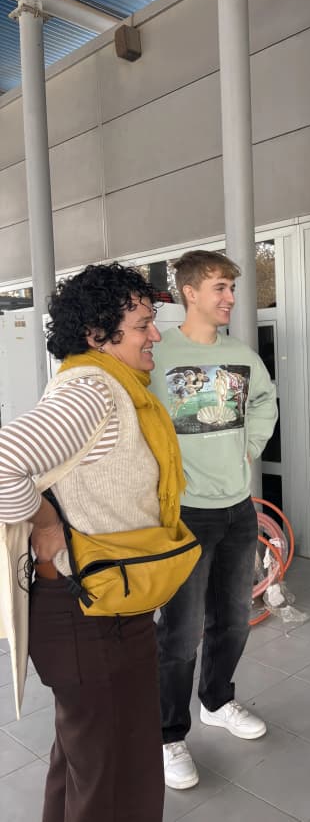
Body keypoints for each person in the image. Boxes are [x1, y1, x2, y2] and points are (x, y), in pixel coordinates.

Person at [0, 263, 186, 822]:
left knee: (91, 762)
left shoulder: (114, 389)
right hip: (88, 612)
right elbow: (5, 462)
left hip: (99, 605)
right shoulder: (94, 392)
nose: (155, 334)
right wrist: (44, 521)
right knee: (116, 779)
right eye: (142, 324)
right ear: (96, 335)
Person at [149, 249, 278, 790]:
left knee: (230, 619)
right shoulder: (157, 355)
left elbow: (266, 402)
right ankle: (167, 734)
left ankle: (217, 701)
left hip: (237, 508)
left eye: (231, 288)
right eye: (220, 287)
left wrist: (249, 445)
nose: (229, 298)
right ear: (190, 293)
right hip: (184, 514)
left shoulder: (241, 355)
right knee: (179, 633)